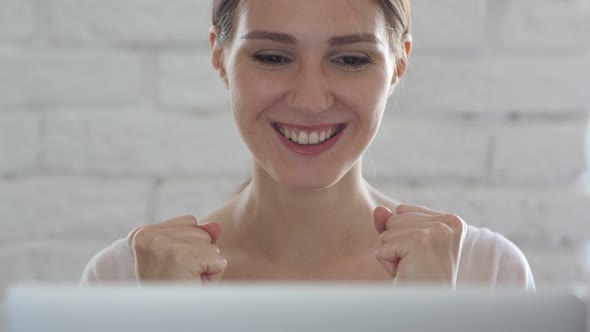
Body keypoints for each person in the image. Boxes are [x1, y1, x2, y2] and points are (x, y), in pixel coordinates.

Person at [80, 0, 535, 288]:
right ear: (220, 55)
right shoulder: (127, 278)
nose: (311, 100)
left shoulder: (487, 273)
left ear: (399, 64)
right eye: (274, 57)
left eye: (351, 59)